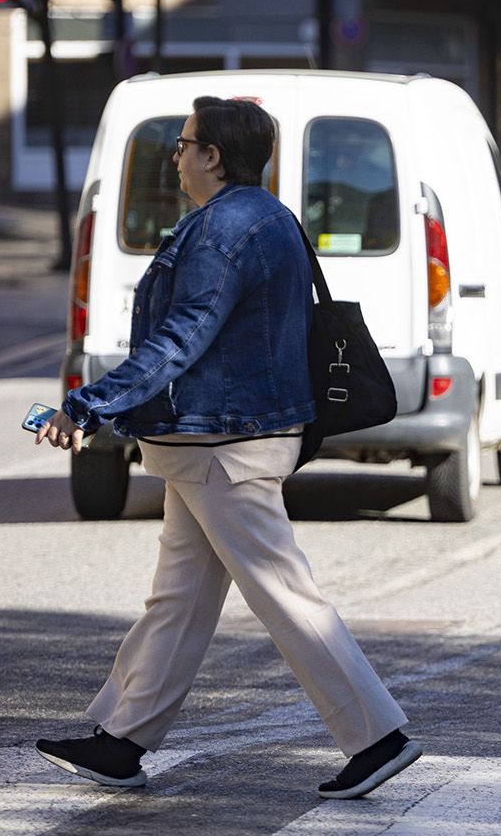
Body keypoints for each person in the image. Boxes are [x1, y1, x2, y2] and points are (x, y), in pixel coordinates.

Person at [32, 95, 420, 798]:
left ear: (212, 155)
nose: (175, 157)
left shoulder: (223, 230)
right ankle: (121, 741)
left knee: (284, 593)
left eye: (182, 145)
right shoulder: (267, 216)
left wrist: (88, 405)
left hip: (225, 443)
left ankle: (377, 736)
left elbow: (181, 337)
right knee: (177, 599)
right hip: (219, 440)